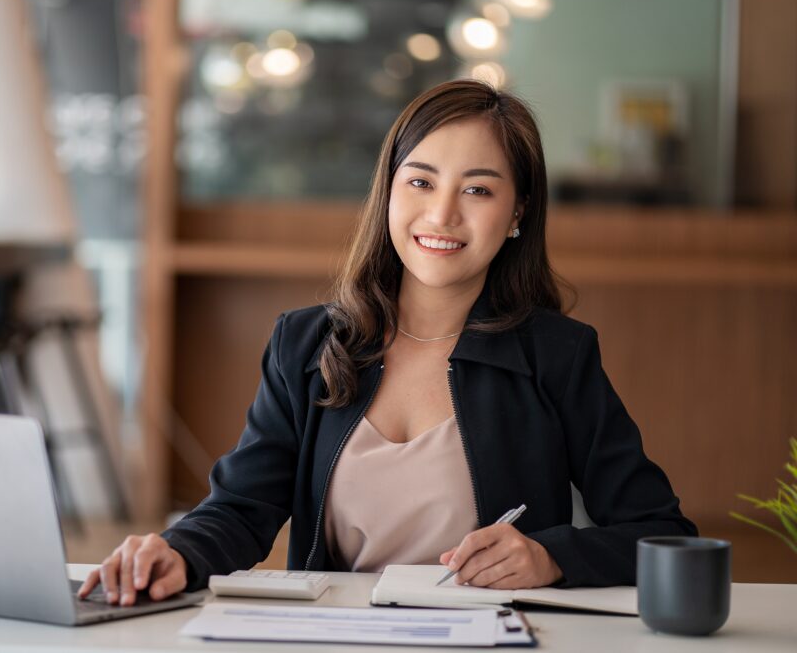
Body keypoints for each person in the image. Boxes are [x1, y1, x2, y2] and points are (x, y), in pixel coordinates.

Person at [78, 79, 697, 606]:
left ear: (517, 214)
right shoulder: (306, 344)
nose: (442, 214)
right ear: (389, 190)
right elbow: (241, 509)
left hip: (491, 637)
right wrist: (177, 553)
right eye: (421, 182)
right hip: (336, 639)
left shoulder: (557, 355)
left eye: (478, 189)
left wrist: (550, 557)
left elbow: (663, 534)